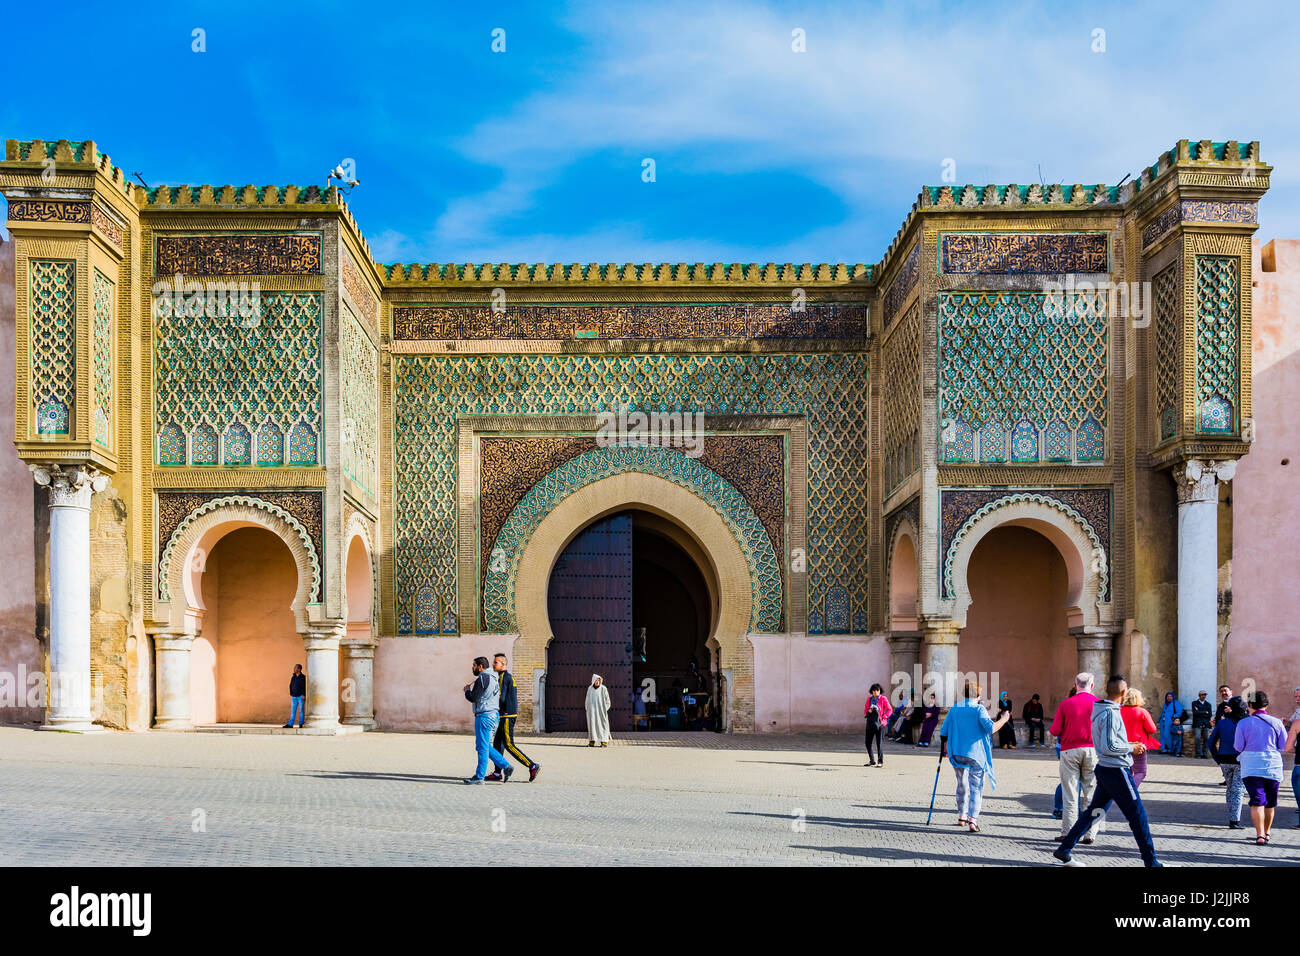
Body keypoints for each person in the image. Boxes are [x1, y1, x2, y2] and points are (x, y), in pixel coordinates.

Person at [1052, 675, 1161, 868]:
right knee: (1138, 816)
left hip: (1105, 768)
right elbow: (1110, 746)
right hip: (1116, 768)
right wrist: (1131, 748)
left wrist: (1128, 744)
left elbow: (1108, 743)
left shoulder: (1102, 710)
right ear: (1123, 692)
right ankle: (1151, 862)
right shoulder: (1110, 713)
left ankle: (1064, 849)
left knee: (1093, 811)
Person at [939, 682, 1010, 833]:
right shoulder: (979, 709)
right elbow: (990, 728)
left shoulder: (954, 708)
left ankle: (961, 816)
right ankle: (973, 820)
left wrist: (945, 747)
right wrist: (1003, 719)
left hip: (957, 752)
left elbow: (943, 732)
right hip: (975, 754)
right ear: (978, 694)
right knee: (976, 787)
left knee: (961, 784)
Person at [1050, 673, 1102, 843]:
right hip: (1093, 751)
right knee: (1091, 793)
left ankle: (1068, 833)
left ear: (1075, 685)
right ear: (1092, 686)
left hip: (1069, 751)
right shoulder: (1100, 704)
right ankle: (1090, 833)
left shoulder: (1066, 704)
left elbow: (1055, 730)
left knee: (1070, 792)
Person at [1233, 691, 1287, 845]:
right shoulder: (1277, 722)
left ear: (1250, 706)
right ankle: (1268, 831)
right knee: (1270, 802)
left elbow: (1238, 746)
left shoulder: (1243, 723)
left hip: (1251, 765)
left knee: (1257, 801)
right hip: (1272, 765)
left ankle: (1260, 834)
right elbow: (1283, 745)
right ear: (1266, 705)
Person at [487, 653, 540, 783]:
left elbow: (501, 697)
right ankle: (497, 772)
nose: (493, 664)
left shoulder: (503, 677)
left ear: (503, 664)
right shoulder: (506, 676)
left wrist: (490, 706)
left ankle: (532, 765)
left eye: (496, 662)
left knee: (509, 744)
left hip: (506, 715)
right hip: (505, 714)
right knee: (497, 744)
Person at [463, 656, 511, 784]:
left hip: (484, 716)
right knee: (483, 746)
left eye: (474, 665)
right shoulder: (494, 677)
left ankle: (479, 777)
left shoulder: (483, 678)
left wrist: (467, 691)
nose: (472, 668)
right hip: (493, 715)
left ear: (480, 666)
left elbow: (473, 697)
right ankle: (506, 766)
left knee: (482, 747)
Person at [1208, 695, 1247, 829]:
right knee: (1238, 789)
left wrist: (1217, 758)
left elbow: (1211, 742)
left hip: (1224, 758)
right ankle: (1234, 820)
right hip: (1240, 759)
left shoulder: (1222, 723)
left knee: (1230, 789)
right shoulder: (1245, 722)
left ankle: (1232, 817)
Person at [1120, 687, 1161, 789]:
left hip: (1122, 745)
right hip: (1138, 745)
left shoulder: (1119, 710)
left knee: (1126, 771)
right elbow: (1152, 729)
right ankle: (1130, 790)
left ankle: (1125, 790)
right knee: (1140, 771)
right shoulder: (1142, 712)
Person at [863, 683, 893, 767]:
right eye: (874, 690)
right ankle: (872, 760)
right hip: (870, 723)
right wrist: (868, 711)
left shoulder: (883, 699)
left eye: (877, 690)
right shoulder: (869, 700)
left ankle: (880, 761)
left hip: (880, 724)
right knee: (867, 742)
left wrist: (884, 717)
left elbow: (889, 710)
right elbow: (865, 710)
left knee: (879, 743)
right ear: (871, 691)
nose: (875, 692)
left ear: (880, 691)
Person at [1286, 688, 1300, 829]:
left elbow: (1288, 748)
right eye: (1296, 696)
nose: (1297, 699)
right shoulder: (1296, 713)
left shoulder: (1298, 722)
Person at [586, 674, 612, 746]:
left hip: (601, 712)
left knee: (603, 725)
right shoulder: (590, 689)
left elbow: (608, 701)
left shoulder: (603, 688)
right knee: (592, 725)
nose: (597, 682)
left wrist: (604, 709)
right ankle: (592, 741)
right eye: (596, 680)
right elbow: (587, 700)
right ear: (593, 681)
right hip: (592, 712)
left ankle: (604, 742)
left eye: (598, 680)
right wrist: (588, 709)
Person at [1159, 691, 1184, 757]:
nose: (1169, 698)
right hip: (1163, 722)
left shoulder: (1175, 703)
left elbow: (1179, 711)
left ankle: (1170, 749)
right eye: (1168, 696)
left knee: (1168, 735)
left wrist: (1174, 717)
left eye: (1170, 696)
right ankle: (1164, 749)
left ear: (1173, 697)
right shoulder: (1165, 704)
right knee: (1163, 735)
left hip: (1170, 722)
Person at [283, 663, 306, 729]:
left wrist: (304, 695)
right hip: (294, 697)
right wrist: (291, 693)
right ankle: (290, 724)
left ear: (299, 669)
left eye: (295, 668)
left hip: (301, 696)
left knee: (301, 711)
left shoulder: (303, 677)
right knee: (293, 711)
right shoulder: (293, 677)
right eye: (294, 668)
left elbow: (305, 687)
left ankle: (301, 723)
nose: (294, 669)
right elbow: (290, 685)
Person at [1192, 691, 1213, 758]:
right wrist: (1204, 712)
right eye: (1202, 695)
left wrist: (1199, 712)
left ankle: (1205, 754)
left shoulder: (1208, 704)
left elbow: (1209, 714)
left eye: (1204, 695)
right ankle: (1198, 754)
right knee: (1197, 738)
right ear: (1199, 695)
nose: (1203, 696)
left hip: (1206, 724)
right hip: (1197, 723)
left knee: (1206, 738)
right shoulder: (1194, 703)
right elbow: (1195, 713)